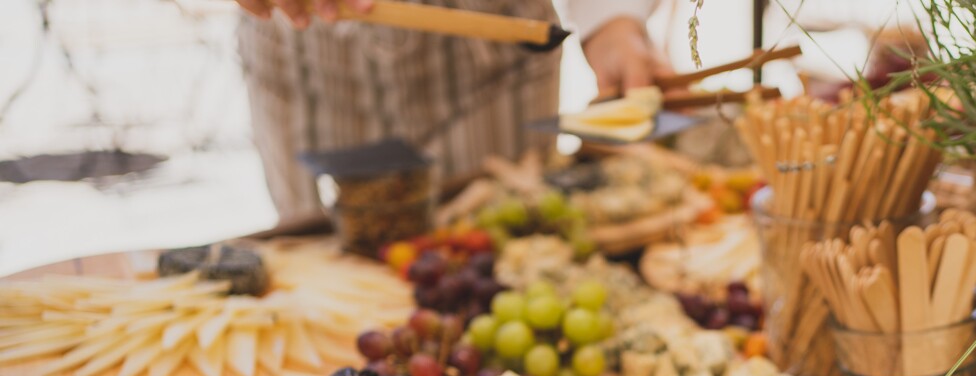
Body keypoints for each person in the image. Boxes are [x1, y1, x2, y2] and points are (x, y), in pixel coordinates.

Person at [229, 0, 670, 219]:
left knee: (507, 250)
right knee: (323, 270)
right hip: (310, 48)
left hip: (493, 52)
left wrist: (610, 17)